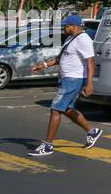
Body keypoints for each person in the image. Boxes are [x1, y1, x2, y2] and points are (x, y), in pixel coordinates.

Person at [28, 14, 101, 156]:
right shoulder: (71, 38)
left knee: (56, 109)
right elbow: (60, 58)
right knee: (67, 109)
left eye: (65, 26)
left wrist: (90, 84)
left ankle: (48, 145)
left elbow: (90, 62)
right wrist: (43, 65)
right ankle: (92, 132)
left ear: (74, 26)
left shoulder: (83, 40)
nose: (64, 28)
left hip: (74, 79)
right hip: (66, 79)